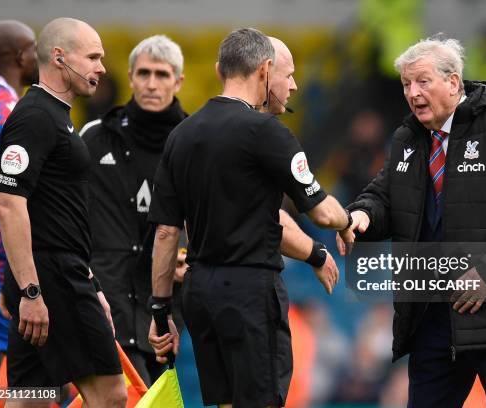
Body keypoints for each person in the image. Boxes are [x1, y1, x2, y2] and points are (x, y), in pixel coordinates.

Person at [338, 36, 486, 406]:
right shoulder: (407, 140)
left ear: (454, 82)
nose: (413, 93)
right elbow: (384, 197)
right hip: (432, 316)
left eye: (423, 81)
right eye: (406, 84)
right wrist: (361, 215)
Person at [147, 28, 349, 407]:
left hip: (199, 292)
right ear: (265, 70)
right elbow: (322, 212)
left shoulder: (181, 135)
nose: (293, 87)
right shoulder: (267, 133)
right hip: (250, 292)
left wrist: (160, 311)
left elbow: (166, 232)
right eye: (288, 76)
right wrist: (349, 221)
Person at [0, 18, 126, 407]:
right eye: (93, 57)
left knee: (31, 399)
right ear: (59, 57)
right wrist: (31, 290)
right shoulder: (35, 116)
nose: (101, 67)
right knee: (111, 397)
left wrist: (91, 281)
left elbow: (54, 213)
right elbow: (9, 203)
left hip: (55, 275)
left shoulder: (56, 116)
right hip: (51, 281)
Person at [79, 34, 188, 386]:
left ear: (179, 81)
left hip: (163, 312)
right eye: (143, 73)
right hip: (104, 304)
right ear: (130, 77)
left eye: (162, 74)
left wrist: (194, 257)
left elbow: (215, 214)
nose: (151, 84)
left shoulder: (196, 143)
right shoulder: (95, 138)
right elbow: (67, 212)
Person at [0, 19, 37, 397]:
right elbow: (12, 190)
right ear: (21, 56)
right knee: (9, 381)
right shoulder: (5, 111)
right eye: (34, 49)